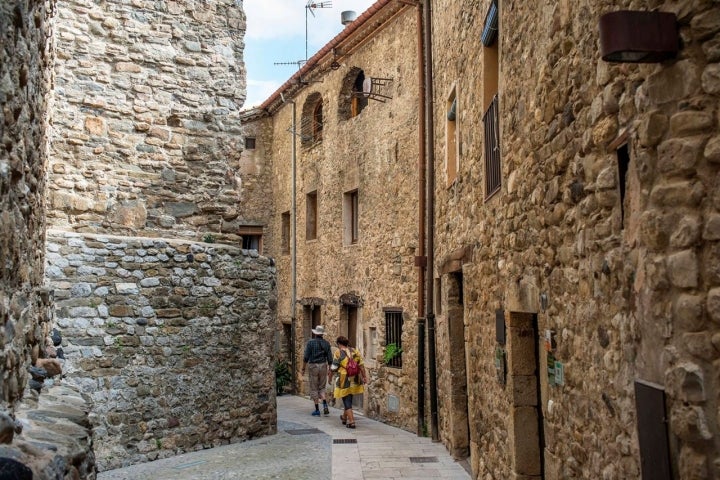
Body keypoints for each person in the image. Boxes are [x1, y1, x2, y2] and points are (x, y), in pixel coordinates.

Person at [331, 336, 367, 429]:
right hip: (354, 378)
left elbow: (334, 367)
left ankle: (352, 422)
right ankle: (344, 418)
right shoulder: (355, 351)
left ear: (339, 344)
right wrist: (364, 377)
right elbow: (361, 366)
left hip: (344, 379)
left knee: (346, 400)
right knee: (349, 397)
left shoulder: (338, 353)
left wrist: (330, 375)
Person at [301, 325, 333, 416]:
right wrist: (330, 369)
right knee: (322, 387)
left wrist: (303, 369)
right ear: (322, 334)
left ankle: (317, 410)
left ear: (315, 333)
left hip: (313, 366)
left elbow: (306, 357)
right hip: (323, 366)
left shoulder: (310, 343)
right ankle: (325, 404)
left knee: (314, 387)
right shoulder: (326, 343)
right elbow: (330, 358)